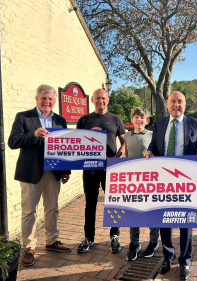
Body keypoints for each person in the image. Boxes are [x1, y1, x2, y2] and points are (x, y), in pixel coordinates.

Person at [144, 91, 197, 281]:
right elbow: (153, 146)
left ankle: (185, 262)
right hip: (164, 181)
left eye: (180, 102)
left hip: (186, 181)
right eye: (173, 101)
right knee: (163, 220)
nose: (176, 105)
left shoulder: (196, 124)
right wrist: (149, 152)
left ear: (185, 105)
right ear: (167, 104)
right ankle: (168, 256)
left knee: (186, 223)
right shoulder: (159, 125)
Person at [8, 84, 71, 267]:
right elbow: (13, 141)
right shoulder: (24, 117)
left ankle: (52, 241)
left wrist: (66, 170)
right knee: (29, 211)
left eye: (51, 99)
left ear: (54, 100)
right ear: (37, 98)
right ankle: (28, 247)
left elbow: (65, 147)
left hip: (53, 172)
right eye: (44, 98)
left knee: (52, 208)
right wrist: (33, 135)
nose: (47, 102)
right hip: (30, 172)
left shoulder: (60, 120)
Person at [76, 88, 125, 254]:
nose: (100, 101)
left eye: (103, 98)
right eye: (97, 98)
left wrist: (115, 158)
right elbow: (77, 144)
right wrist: (89, 135)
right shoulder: (84, 120)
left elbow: (124, 144)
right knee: (90, 203)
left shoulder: (115, 119)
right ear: (92, 100)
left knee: (113, 202)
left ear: (108, 100)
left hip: (109, 167)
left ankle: (114, 235)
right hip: (89, 168)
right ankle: (89, 237)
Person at [124, 107, 160, 261]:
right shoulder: (126, 136)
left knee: (152, 212)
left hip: (150, 181)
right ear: (132, 120)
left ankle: (153, 242)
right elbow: (126, 157)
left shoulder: (153, 135)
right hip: (133, 182)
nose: (139, 120)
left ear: (147, 120)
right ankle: (134, 243)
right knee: (133, 213)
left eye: (142, 117)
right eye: (136, 117)